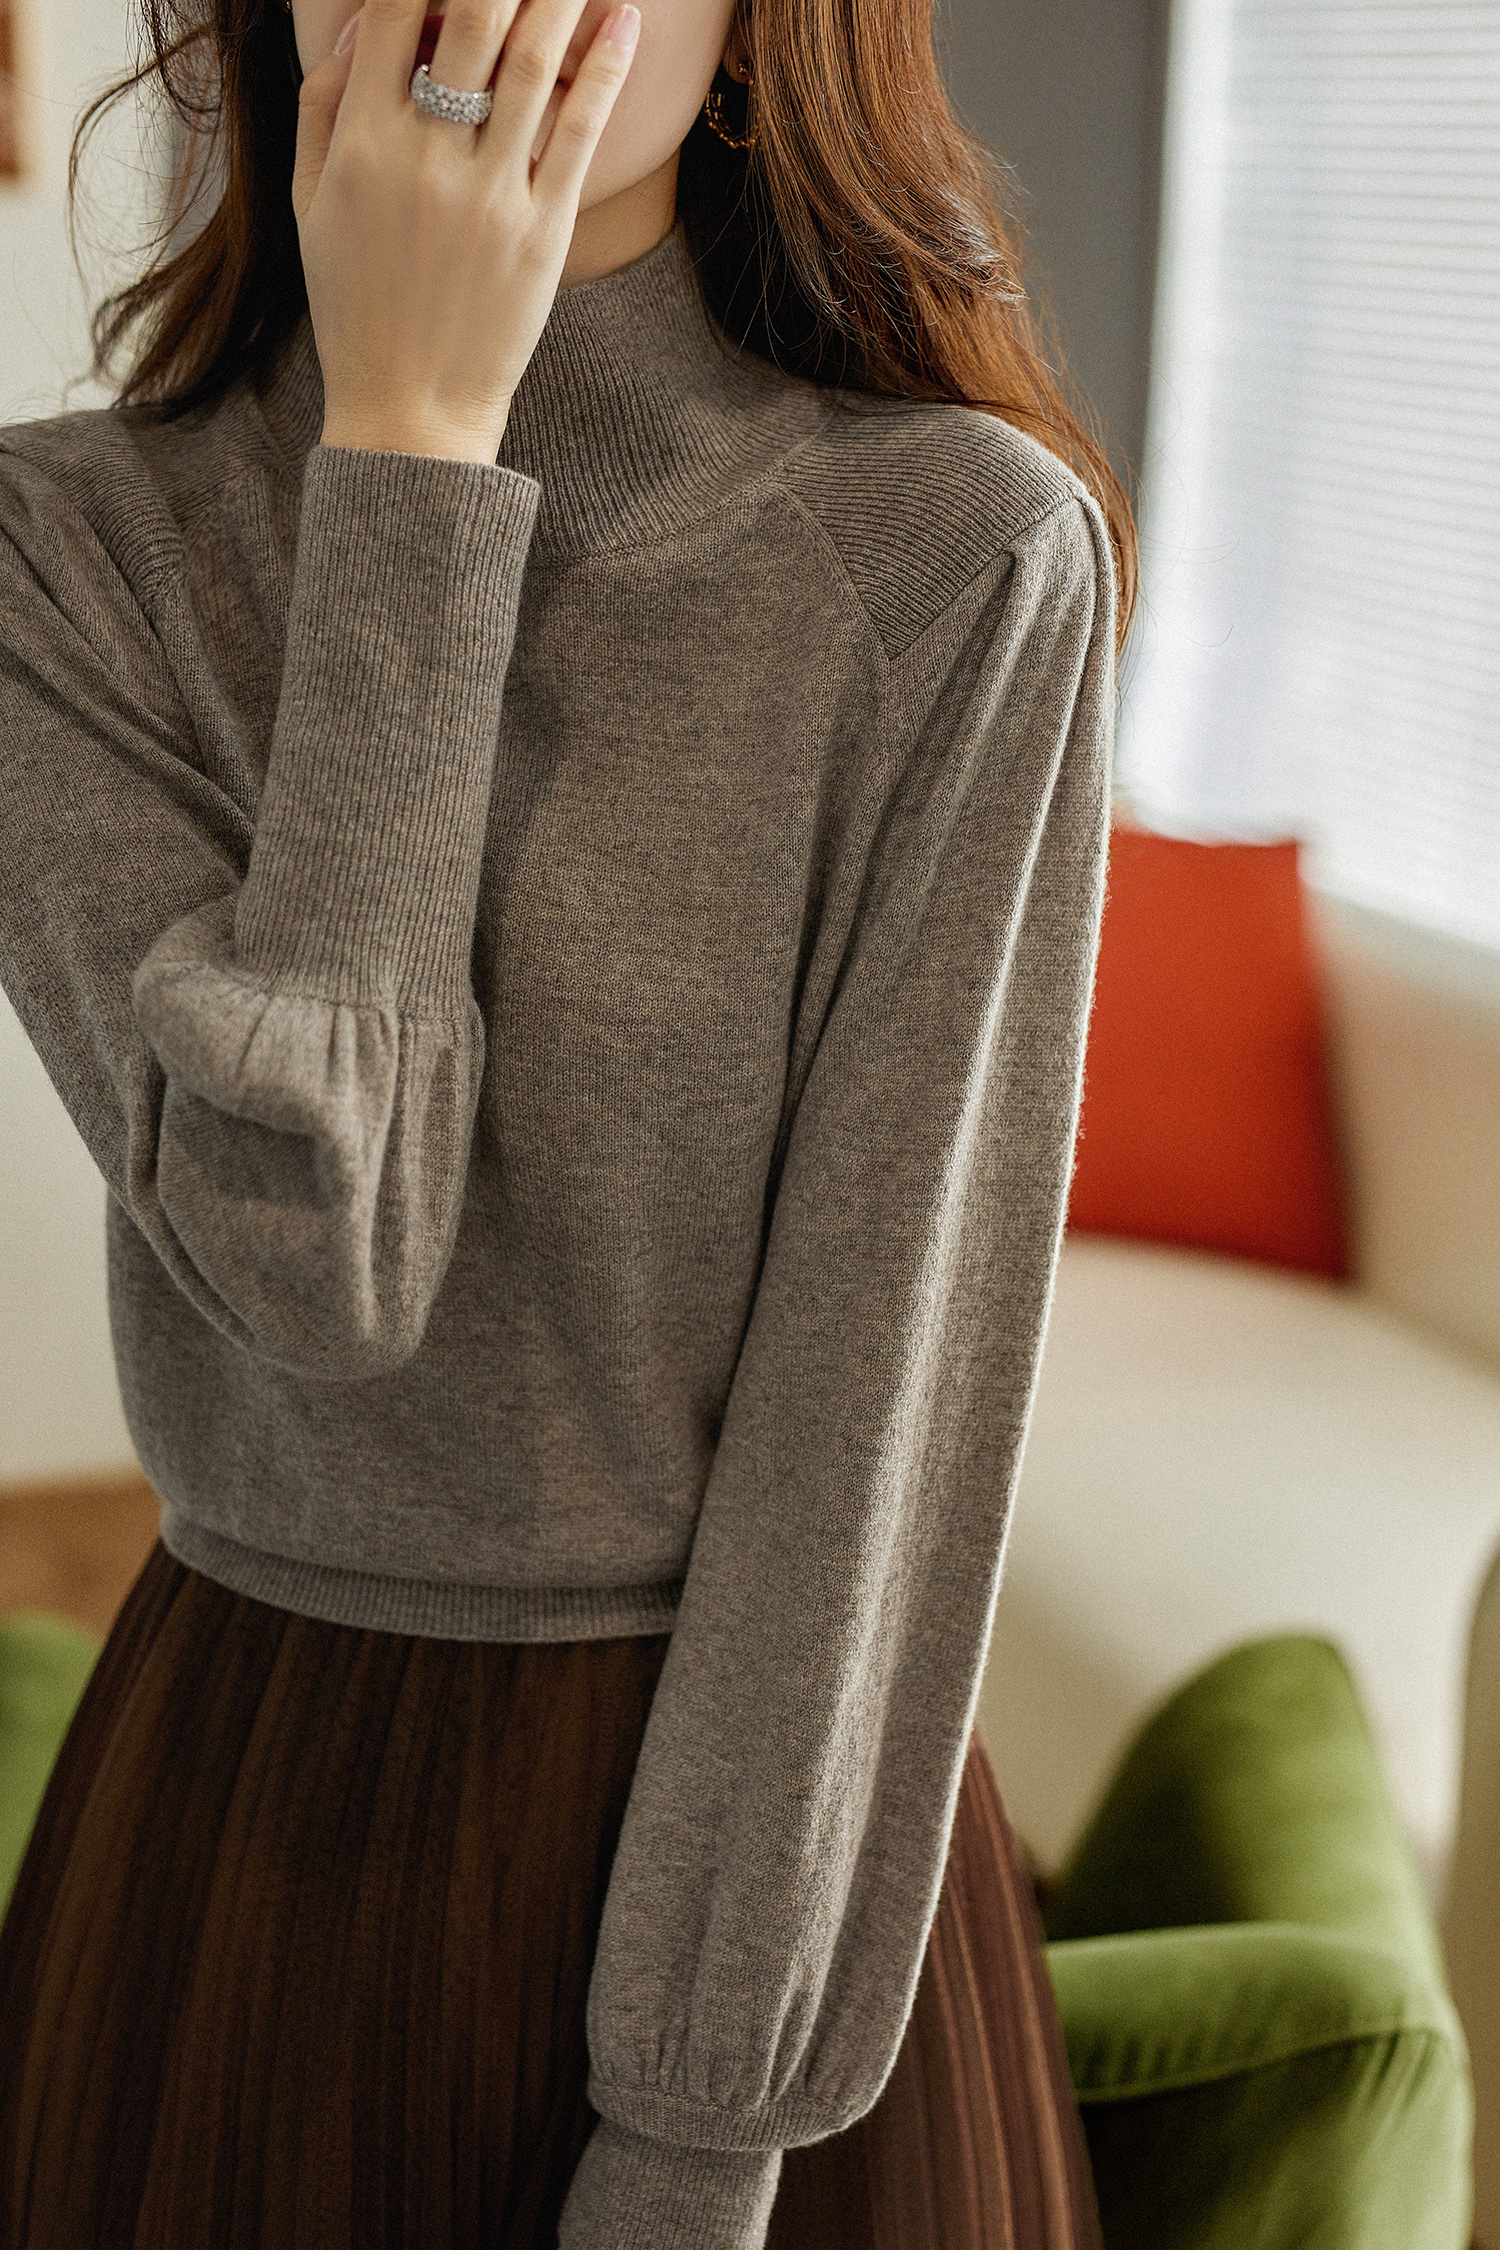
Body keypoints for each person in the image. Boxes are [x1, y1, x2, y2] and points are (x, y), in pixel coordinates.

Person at [0, 0, 1135, 2240]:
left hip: (769, 1901)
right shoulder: (64, 556)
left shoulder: (965, 562)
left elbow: (877, 1433)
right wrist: (415, 454)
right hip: (247, 1837)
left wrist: (702, 2136)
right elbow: (323, 1261)